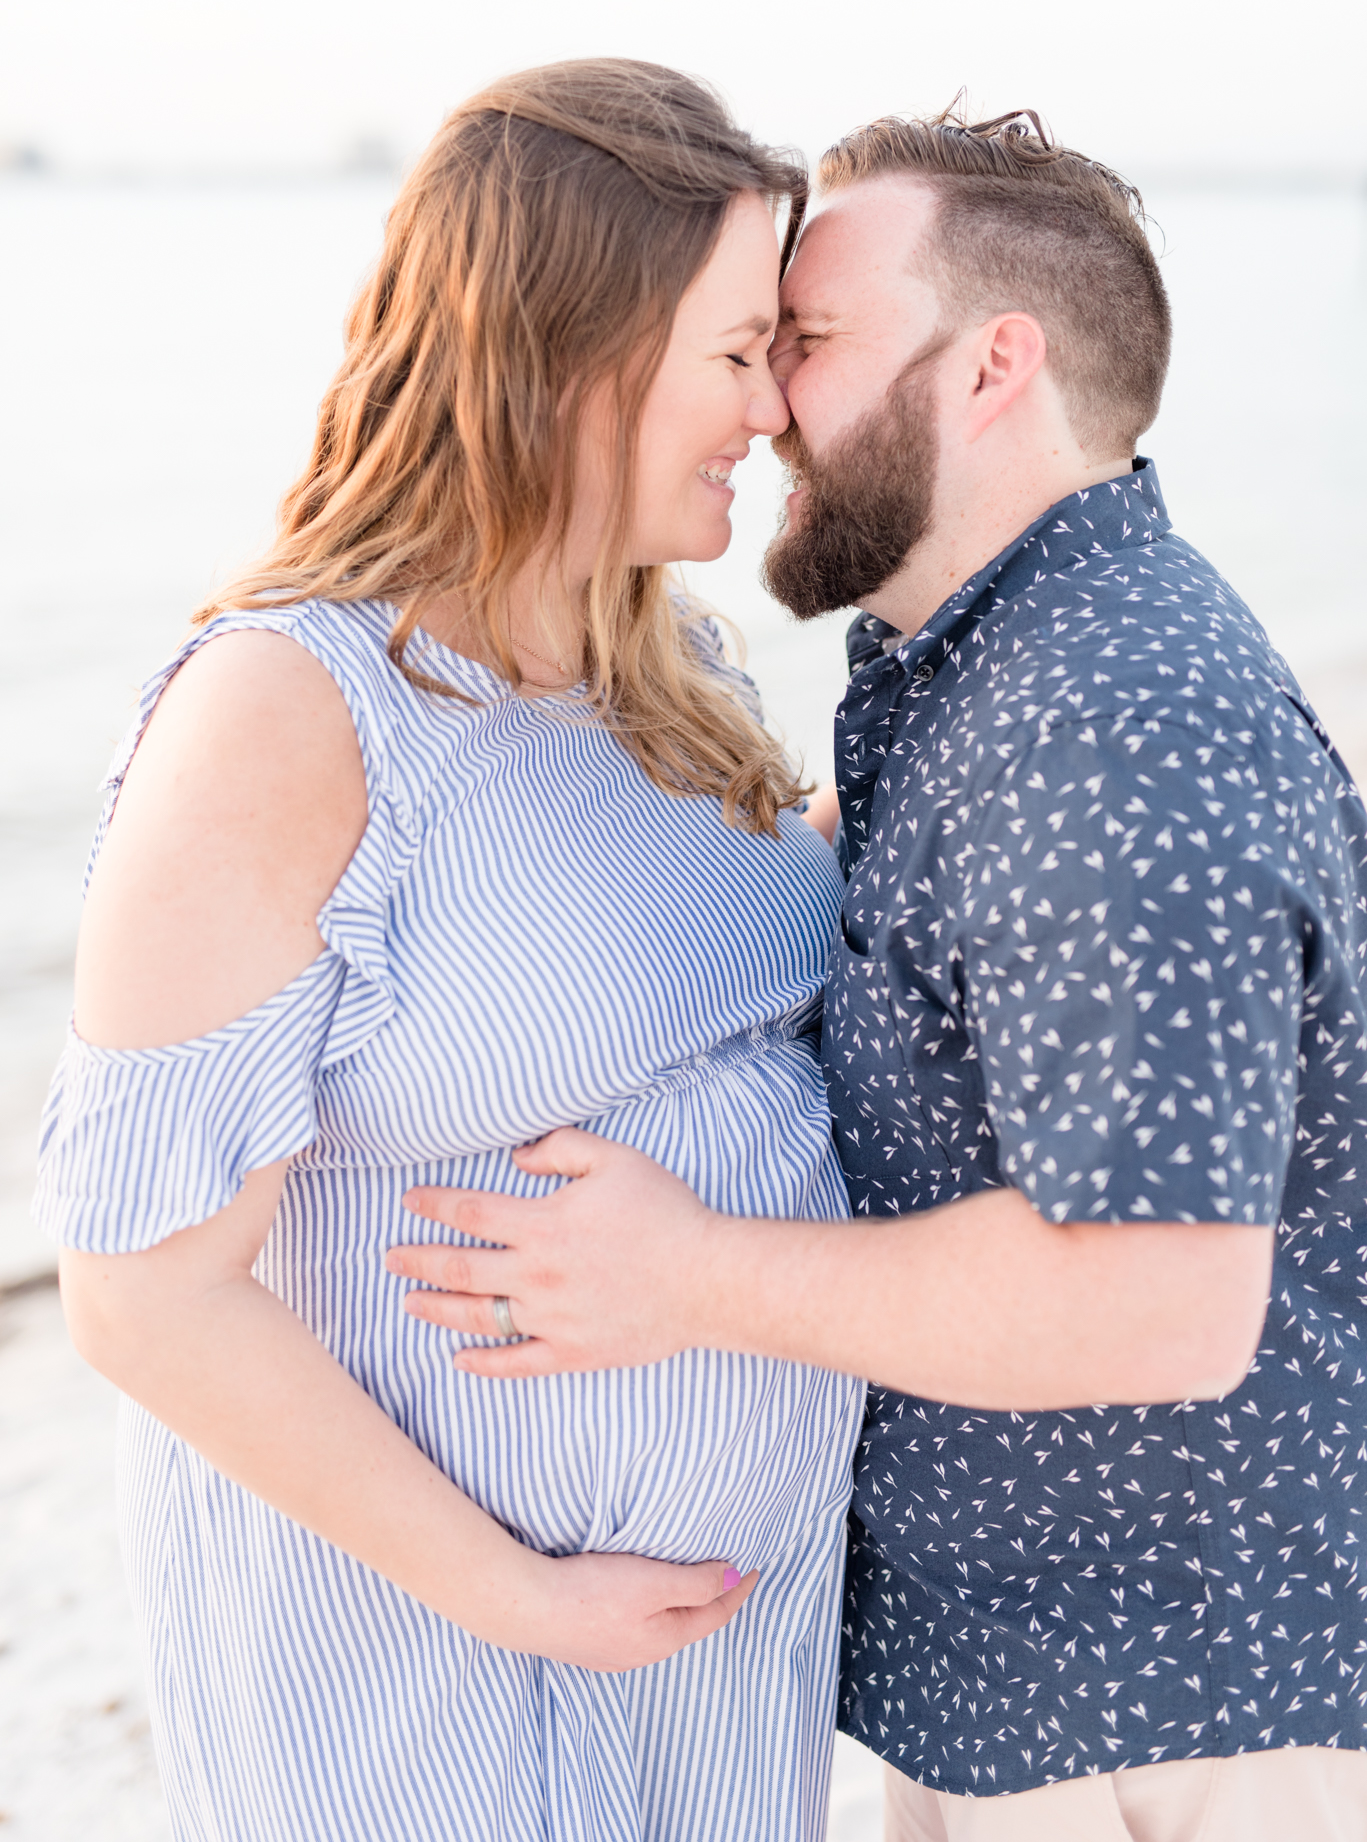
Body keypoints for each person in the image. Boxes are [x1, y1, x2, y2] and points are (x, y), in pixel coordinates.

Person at [410, 109, 1367, 1839]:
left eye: (811, 344)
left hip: (1165, 1724)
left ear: (997, 363)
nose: (766, 400)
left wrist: (684, 1273)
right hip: (1025, 1684)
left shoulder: (1113, 731)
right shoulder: (973, 664)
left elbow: (1158, 1298)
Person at [35, 59, 867, 1842]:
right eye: (734, 353)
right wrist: (524, 1596)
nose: (773, 412)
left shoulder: (670, 662)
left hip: (721, 1645)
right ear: (569, 355)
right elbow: (142, 1292)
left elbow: (690, 970)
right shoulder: (289, 709)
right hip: (437, 1671)